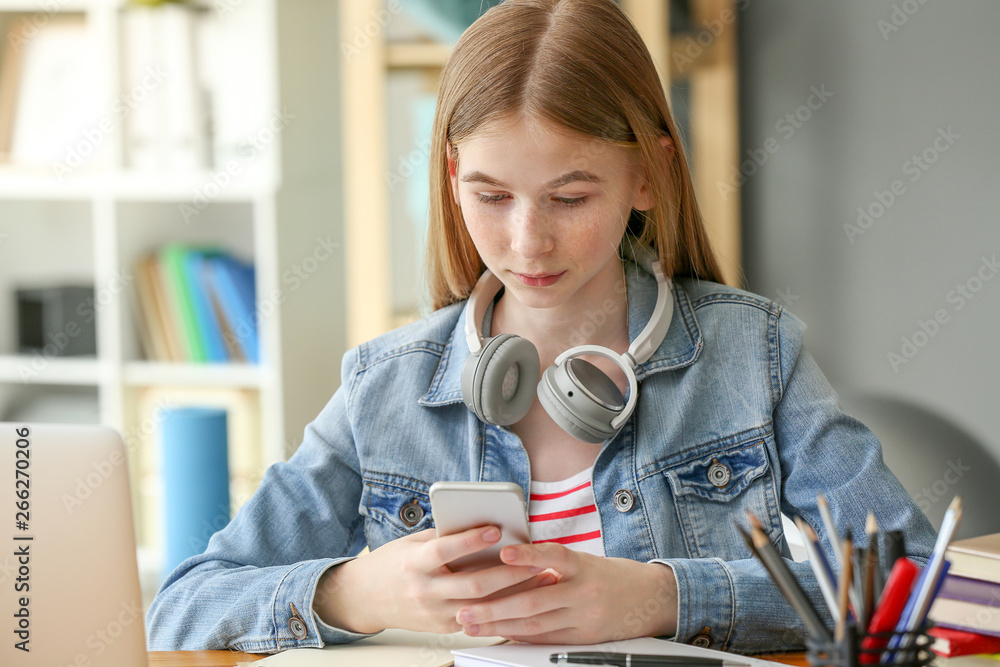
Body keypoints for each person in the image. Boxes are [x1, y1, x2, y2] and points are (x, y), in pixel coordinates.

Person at [146, 0, 936, 655]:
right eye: (492, 196)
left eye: (569, 197)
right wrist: (354, 590)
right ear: (453, 177)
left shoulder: (754, 356)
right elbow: (183, 606)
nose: (528, 241)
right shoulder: (384, 386)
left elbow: (918, 584)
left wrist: (662, 598)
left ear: (647, 176)